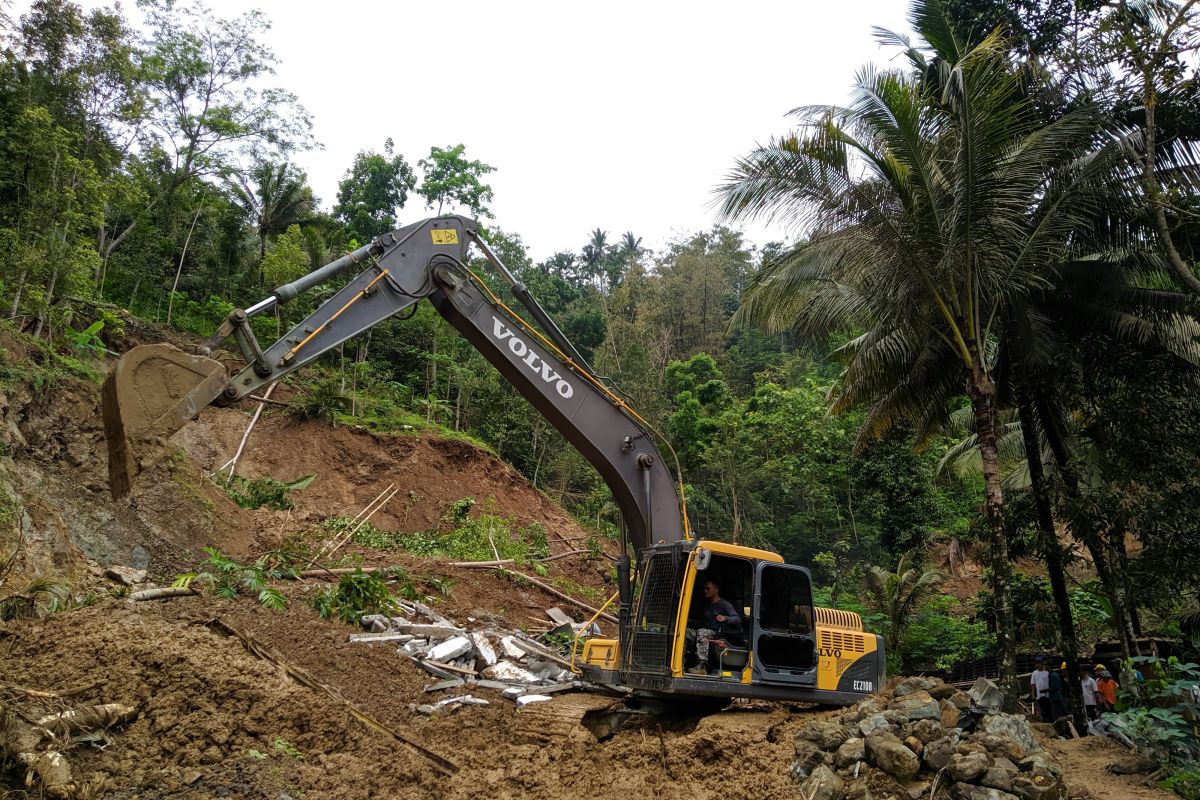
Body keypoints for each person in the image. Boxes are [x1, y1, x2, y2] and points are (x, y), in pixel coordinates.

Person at [686, 579, 741, 675]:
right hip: (704, 631)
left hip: (717, 634)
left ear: (716, 590)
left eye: (708, 589)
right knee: (685, 632)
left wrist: (725, 618)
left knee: (702, 632)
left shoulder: (724, 604)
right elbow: (702, 623)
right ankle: (683, 661)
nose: (705, 591)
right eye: (704, 589)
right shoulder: (707, 606)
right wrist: (689, 622)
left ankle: (702, 666)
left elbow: (737, 619)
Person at [1030, 657, 1053, 722]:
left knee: (1049, 710)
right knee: (1041, 710)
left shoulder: (1047, 672)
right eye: (1036, 663)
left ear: (1042, 664)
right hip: (1039, 695)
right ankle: (1043, 721)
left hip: (1048, 695)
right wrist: (1033, 694)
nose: (1036, 665)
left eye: (1038, 663)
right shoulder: (1034, 673)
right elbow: (1032, 684)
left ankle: (1050, 721)